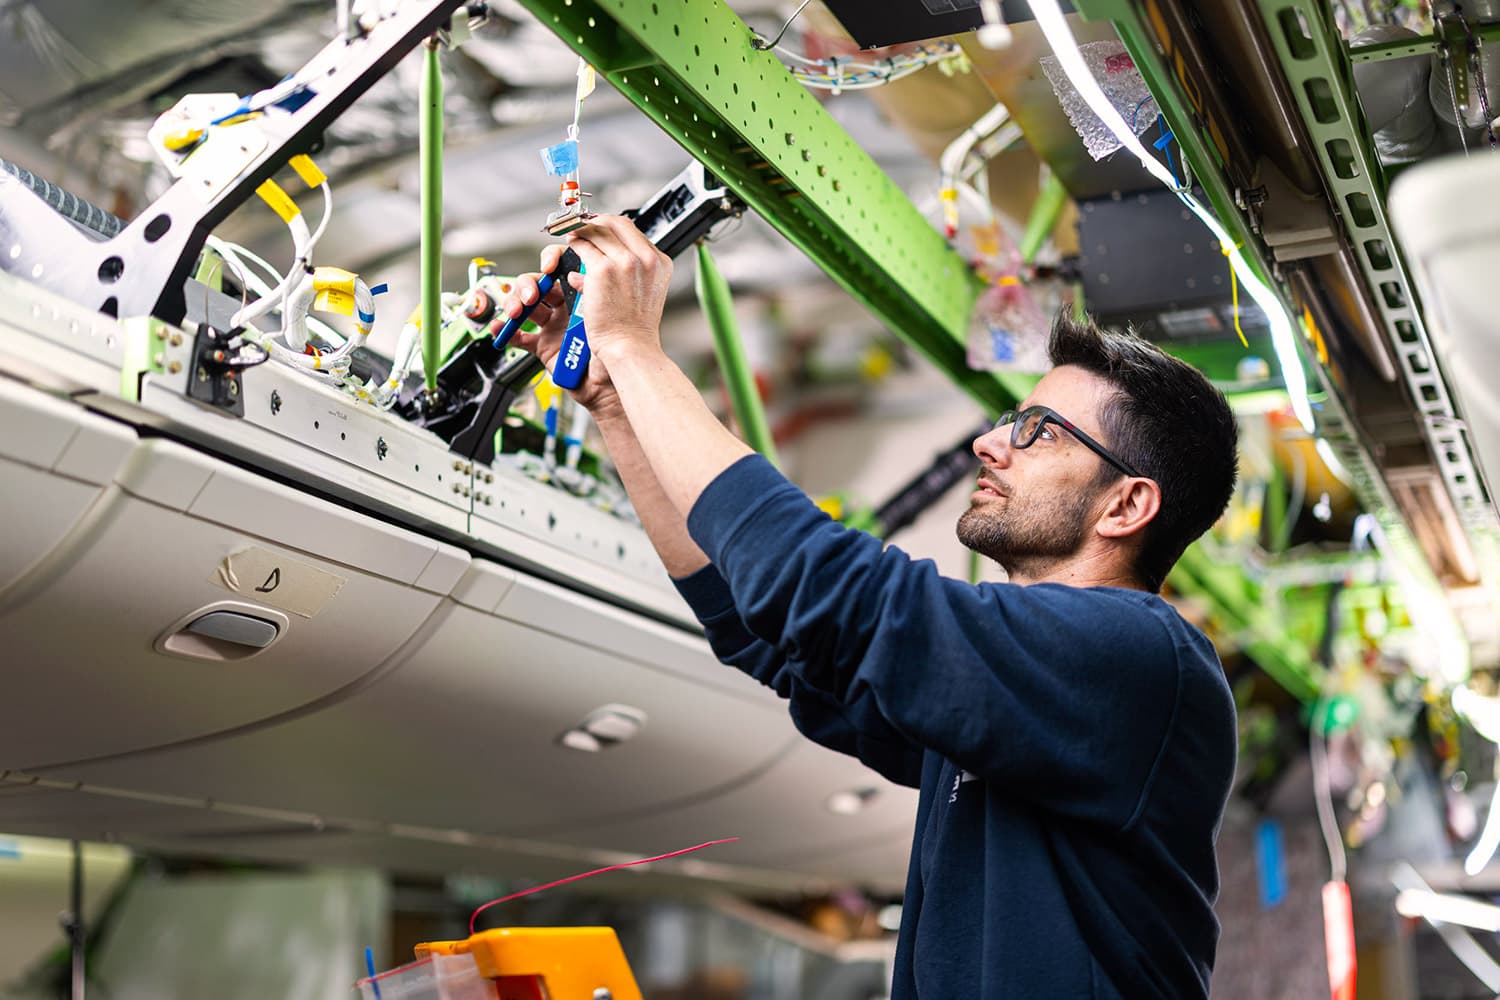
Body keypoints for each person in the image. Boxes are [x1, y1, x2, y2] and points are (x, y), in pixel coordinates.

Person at [499, 215, 1240, 999]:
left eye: (1038, 432)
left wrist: (636, 346)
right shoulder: (1022, 698)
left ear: (1126, 506)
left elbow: (824, 590)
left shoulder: (1139, 657)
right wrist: (614, 401)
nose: (991, 443)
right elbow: (764, 633)